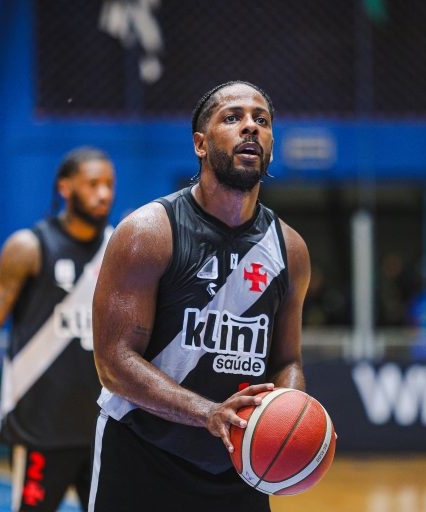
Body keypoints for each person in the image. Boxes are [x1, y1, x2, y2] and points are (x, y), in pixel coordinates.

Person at [89, 81, 310, 511]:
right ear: (200, 144)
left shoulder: (291, 249)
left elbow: (288, 360)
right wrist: (207, 412)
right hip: (142, 456)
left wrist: (292, 414)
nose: (251, 126)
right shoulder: (148, 233)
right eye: (233, 117)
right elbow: (113, 362)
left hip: (240, 464)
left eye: (262, 120)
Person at [0, 147, 116, 511]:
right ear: (65, 188)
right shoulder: (28, 247)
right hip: (39, 430)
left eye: (109, 184)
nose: (103, 194)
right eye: (92, 184)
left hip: (103, 428)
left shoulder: (119, 249)